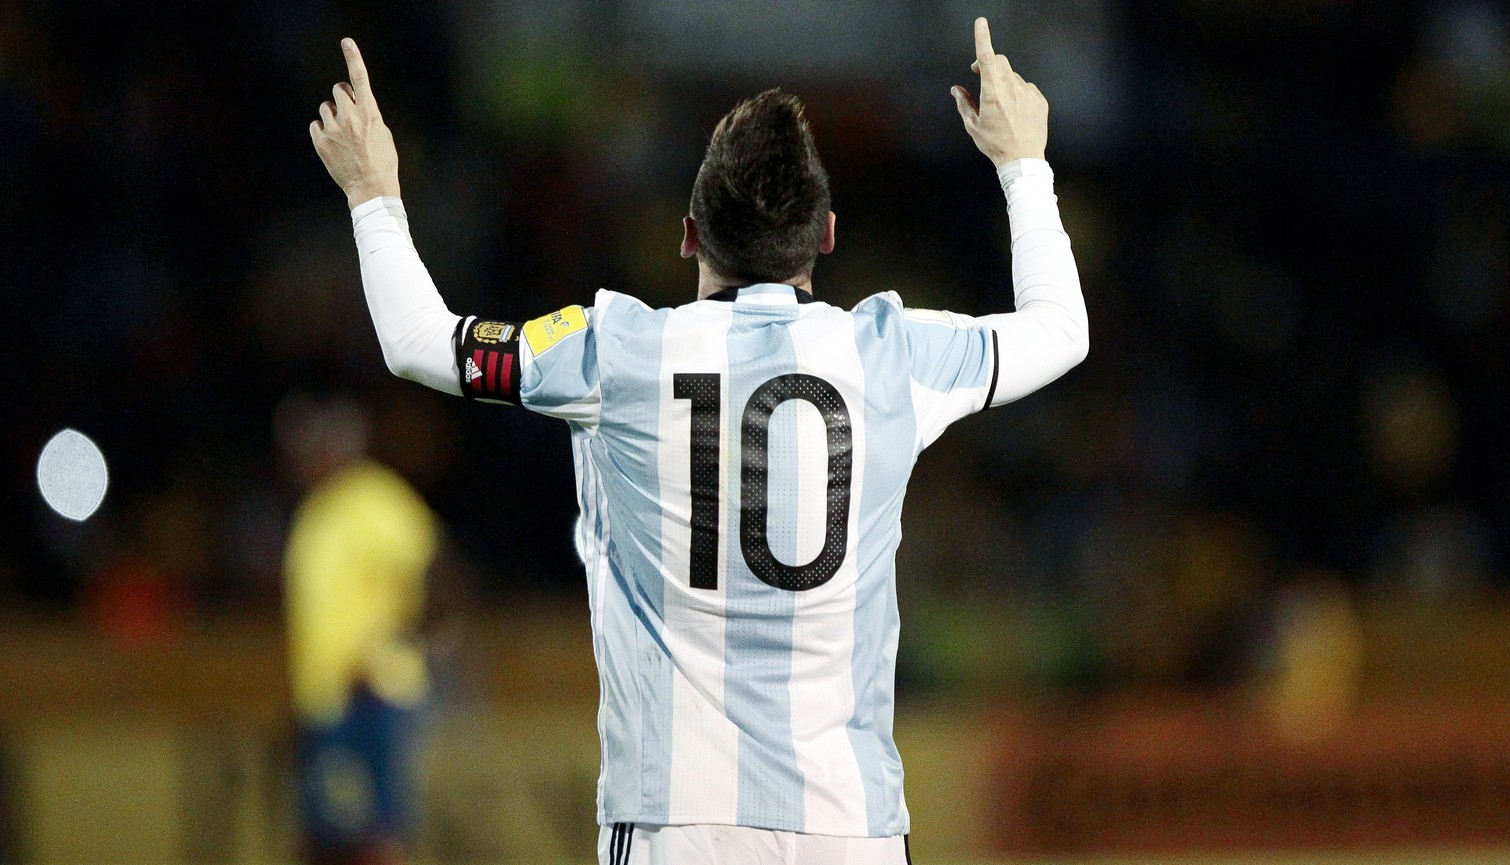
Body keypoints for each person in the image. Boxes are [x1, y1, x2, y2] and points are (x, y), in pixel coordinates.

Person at [310, 17, 1086, 865]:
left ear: (687, 235)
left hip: (674, 823)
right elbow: (1061, 328)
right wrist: (1024, 164)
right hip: (849, 826)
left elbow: (420, 343)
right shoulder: (894, 356)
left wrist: (373, 192)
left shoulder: (615, 352)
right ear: (825, 236)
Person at [277, 391, 440, 865]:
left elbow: (438, 579)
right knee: (325, 837)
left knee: (378, 835)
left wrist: (384, 651)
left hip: (371, 696)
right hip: (324, 701)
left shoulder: (375, 498)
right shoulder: (316, 511)